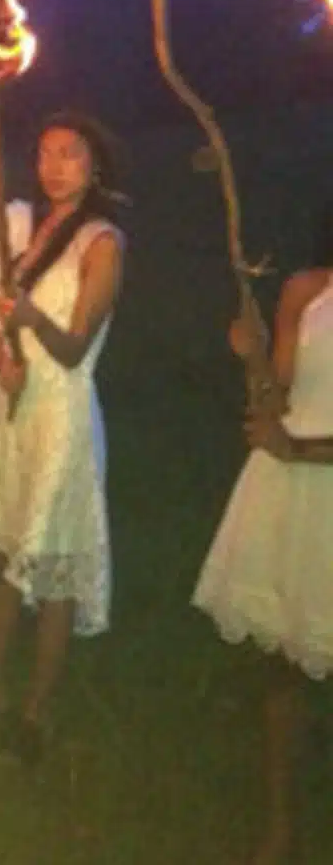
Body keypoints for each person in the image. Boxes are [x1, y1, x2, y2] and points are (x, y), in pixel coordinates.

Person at [0, 111, 126, 763]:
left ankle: (35, 711)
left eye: (70, 154)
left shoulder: (101, 243)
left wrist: (31, 323)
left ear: (94, 164)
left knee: (50, 566)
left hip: (61, 416)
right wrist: (3, 359)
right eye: (46, 154)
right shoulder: (18, 227)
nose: (54, 167)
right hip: (11, 405)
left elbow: (74, 347)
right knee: (4, 552)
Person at [193, 204, 333, 865]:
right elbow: (277, 396)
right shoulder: (308, 289)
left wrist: (299, 450)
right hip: (291, 495)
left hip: (311, 466)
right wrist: (253, 357)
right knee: (283, 669)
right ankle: (281, 830)